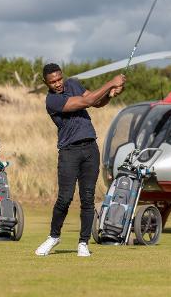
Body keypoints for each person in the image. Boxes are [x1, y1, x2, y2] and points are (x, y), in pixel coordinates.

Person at [35, 63, 125, 257]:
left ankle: (83, 243)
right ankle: (53, 236)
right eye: (53, 82)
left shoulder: (73, 84)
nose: (58, 84)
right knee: (64, 198)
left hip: (90, 149)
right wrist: (111, 83)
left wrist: (110, 95)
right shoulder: (52, 101)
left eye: (59, 79)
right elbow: (86, 102)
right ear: (46, 83)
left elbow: (96, 102)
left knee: (87, 198)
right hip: (69, 152)